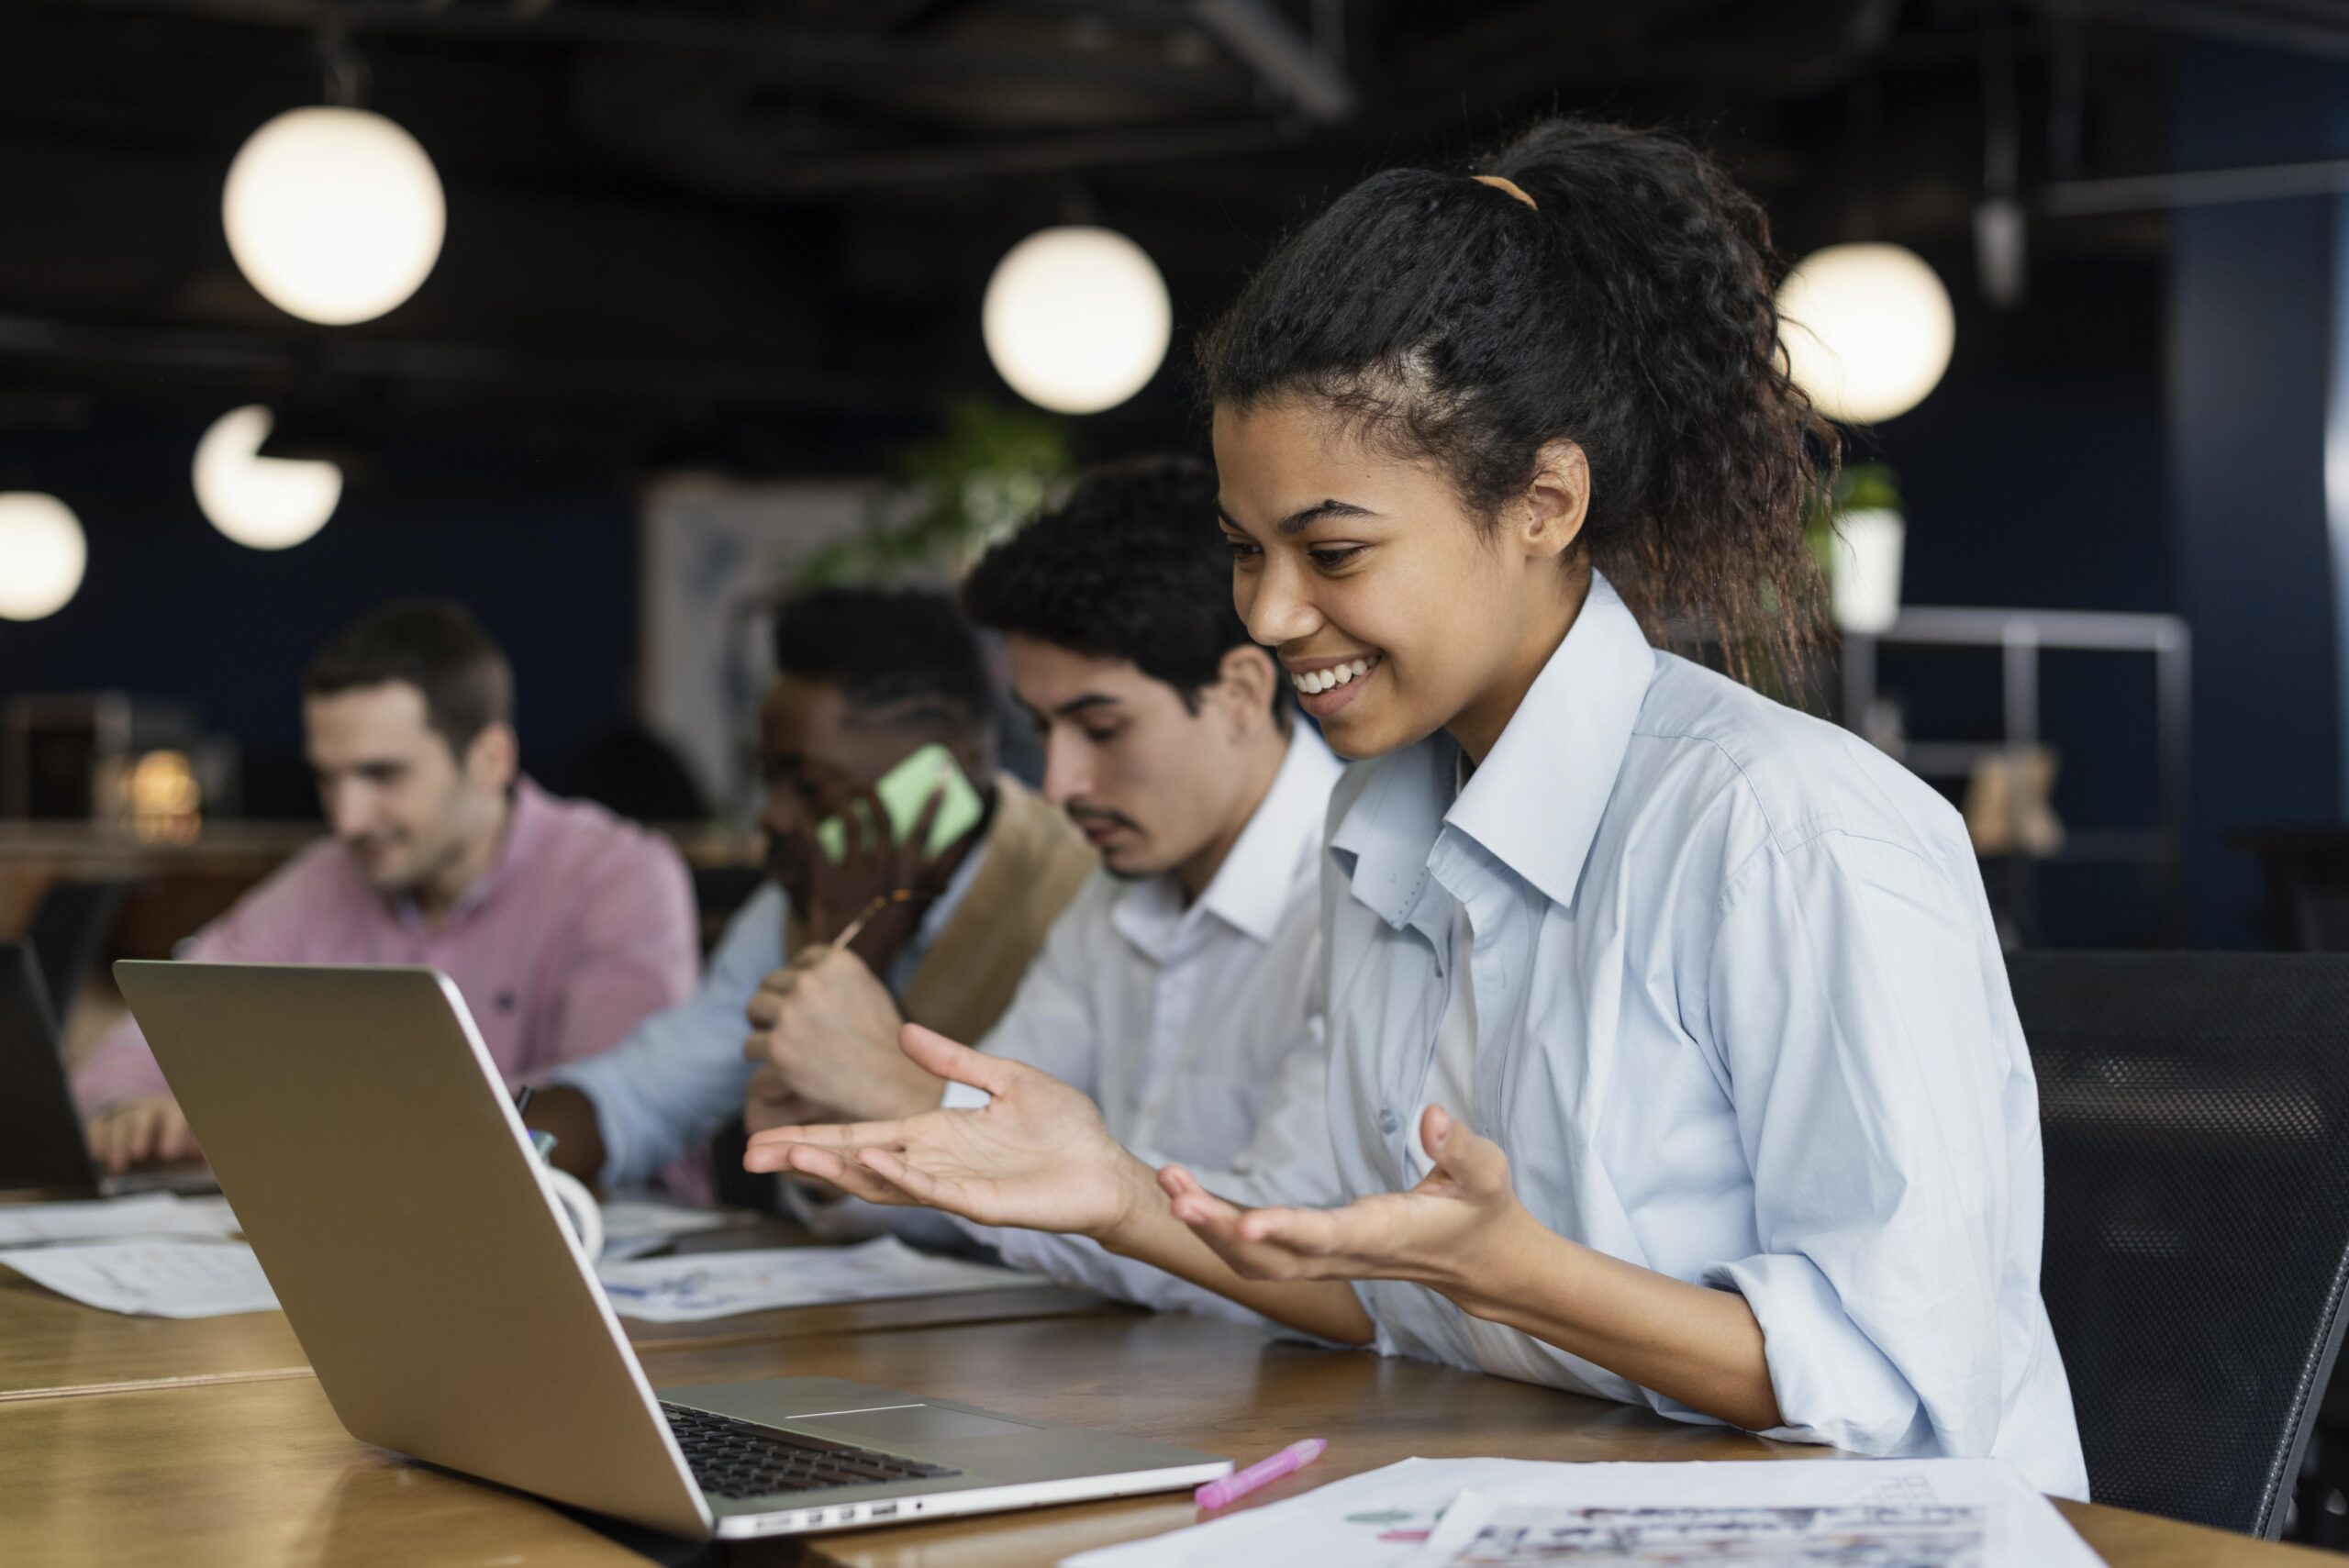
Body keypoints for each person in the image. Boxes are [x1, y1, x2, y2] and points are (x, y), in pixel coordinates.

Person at [743, 119, 2090, 1496]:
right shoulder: (1383, 824)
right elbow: (1386, 1289)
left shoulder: (1788, 835)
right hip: (1564, 1498)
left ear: (1544, 502)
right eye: (1245, 553)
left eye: (1333, 550)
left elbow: (1899, 1393)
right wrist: (1119, 1194)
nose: (1268, 615)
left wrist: (1519, 1276)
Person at [747, 457, 1342, 1316]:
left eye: (1101, 728)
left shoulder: (1364, 894)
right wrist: (843, 1141)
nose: (1060, 783)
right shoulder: (1114, 896)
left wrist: (896, 1092)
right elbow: (1012, 1202)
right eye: (1041, 729)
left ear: (1243, 692)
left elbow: (1316, 1273)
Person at [75, 599, 697, 1172]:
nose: (348, 818)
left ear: (491, 758)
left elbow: (606, 1110)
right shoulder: (323, 878)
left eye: (383, 774)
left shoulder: (620, 876)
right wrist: (131, 1107)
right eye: (328, 778)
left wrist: (283, 1116)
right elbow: (144, 1043)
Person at [527, 586, 1095, 1195]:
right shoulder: (798, 904)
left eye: (809, 783)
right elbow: (645, 1092)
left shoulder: (1075, 892)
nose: (771, 818)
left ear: (950, 760)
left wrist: (851, 972)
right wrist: (498, 1155)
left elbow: (1034, 1180)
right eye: (769, 779)